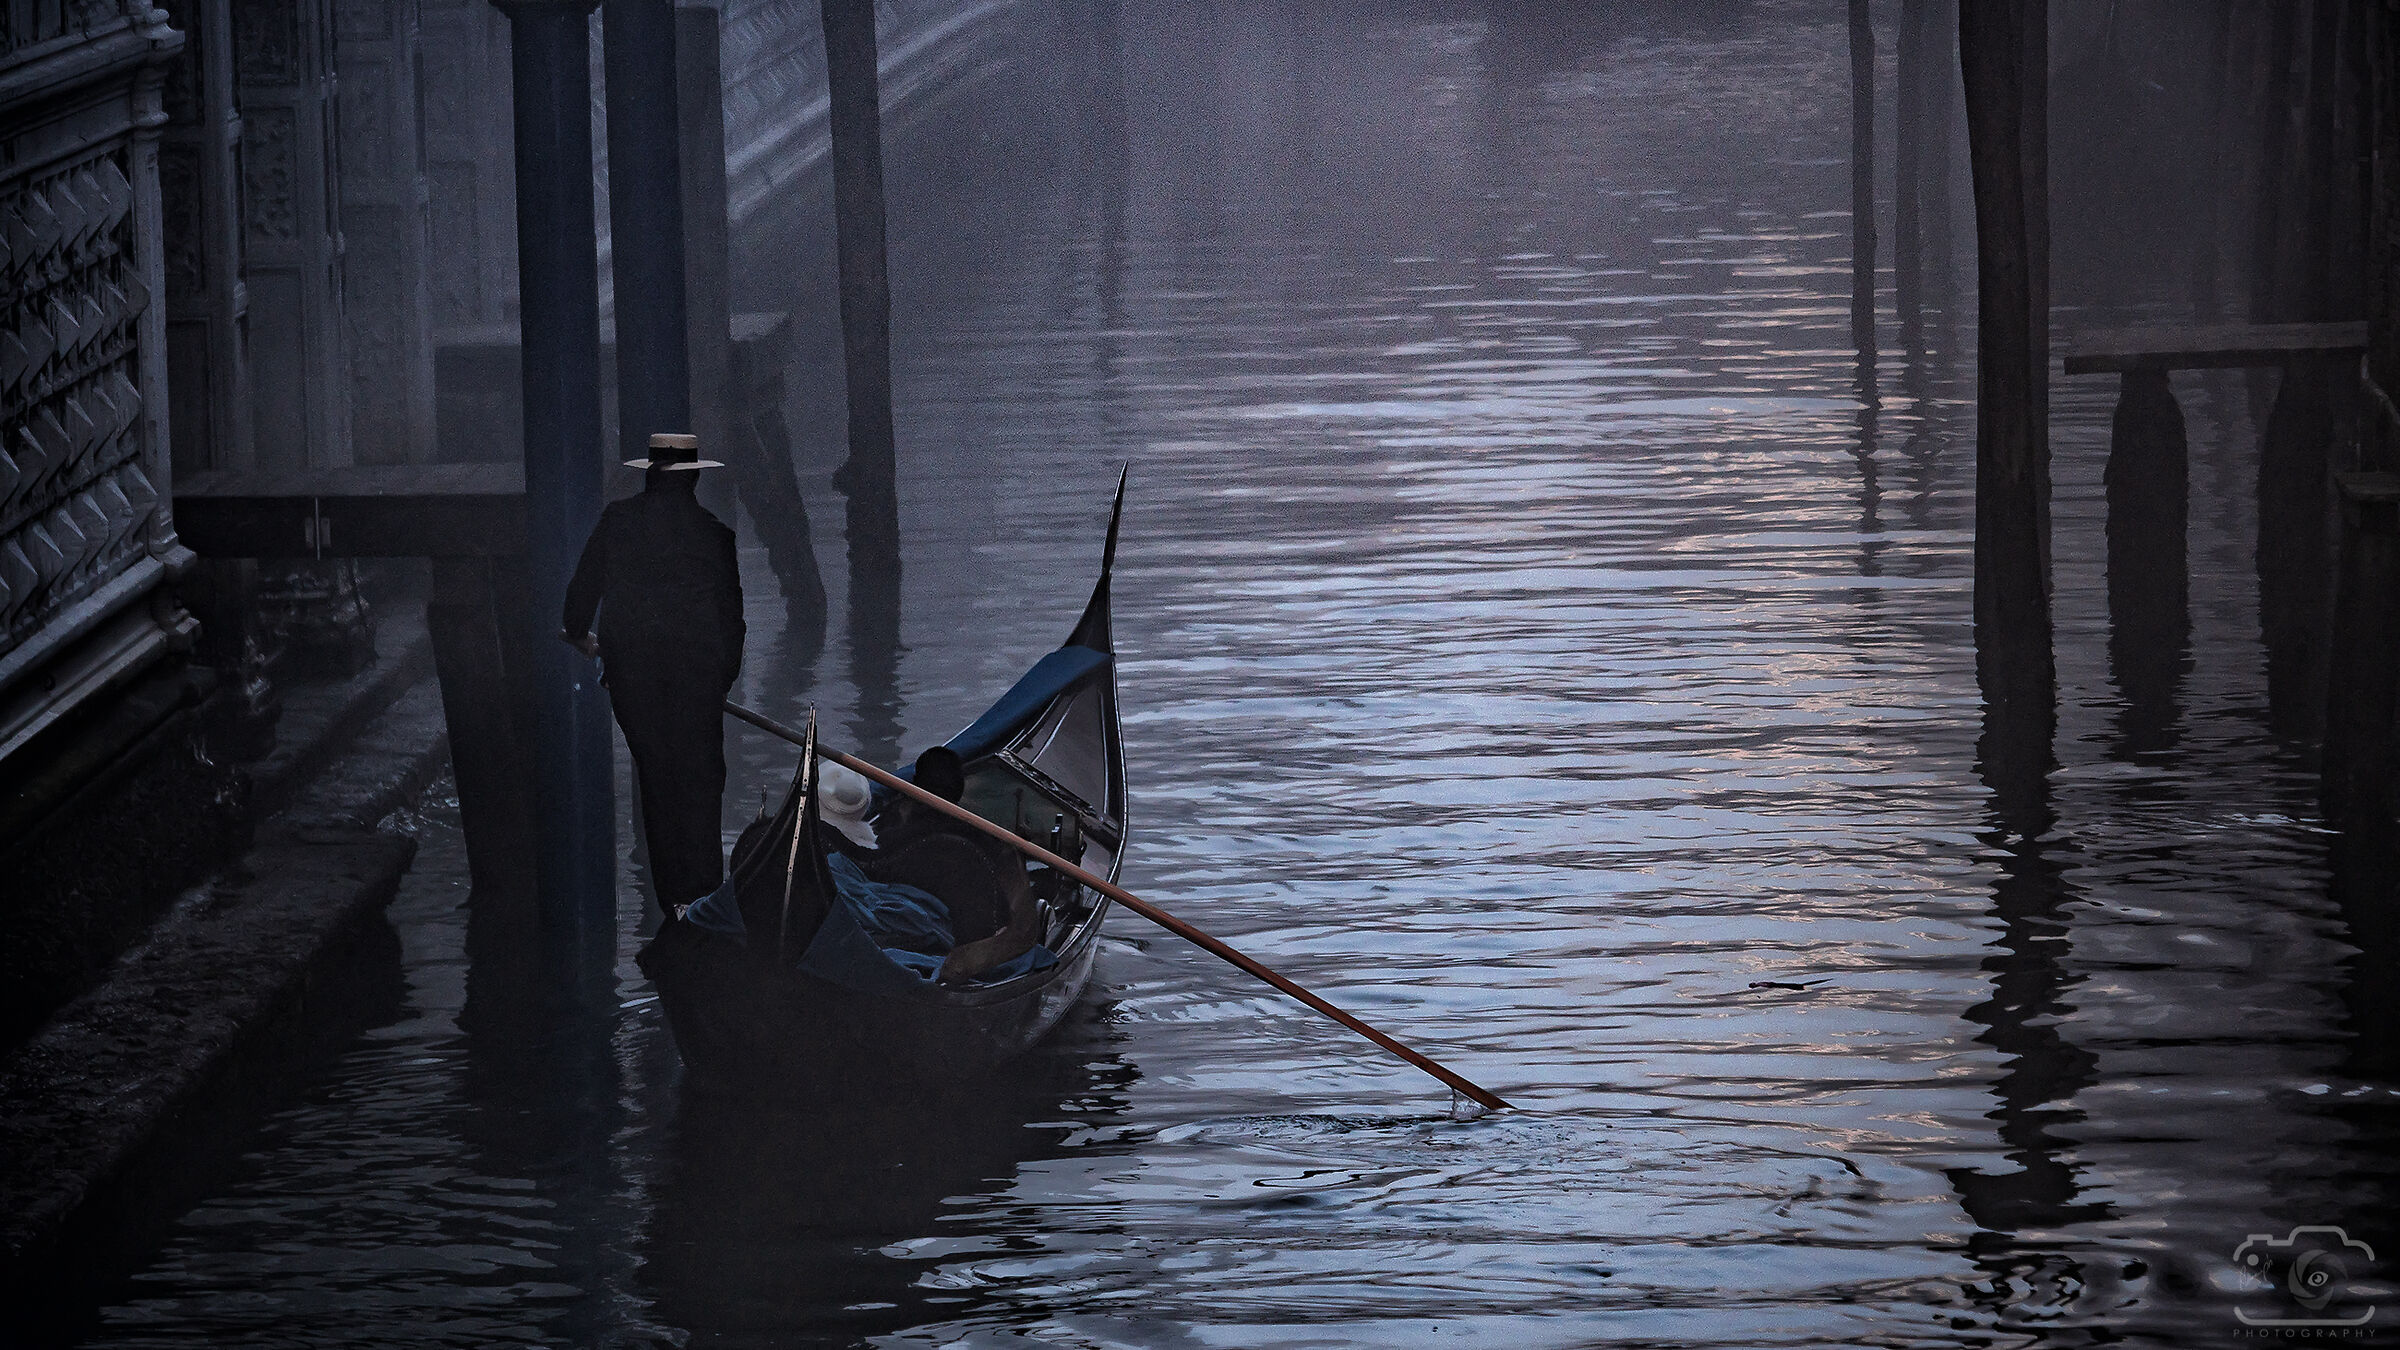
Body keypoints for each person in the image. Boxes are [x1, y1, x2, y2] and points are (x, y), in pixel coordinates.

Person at [560, 431, 745, 914]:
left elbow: (579, 600)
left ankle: (675, 908)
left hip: (634, 680)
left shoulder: (617, 523)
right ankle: (705, 902)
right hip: (699, 681)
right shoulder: (714, 535)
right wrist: (719, 681)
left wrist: (585, 638)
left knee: (659, 784)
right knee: (701, 784)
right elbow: (732, 622)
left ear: (650, 474)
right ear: (695, 477)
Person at [868, 746, 1043, 983]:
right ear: (959, 790)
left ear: (916, 785)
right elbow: (1011, 920)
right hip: (964, 944)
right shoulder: (985, 842)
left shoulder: (887, 834)